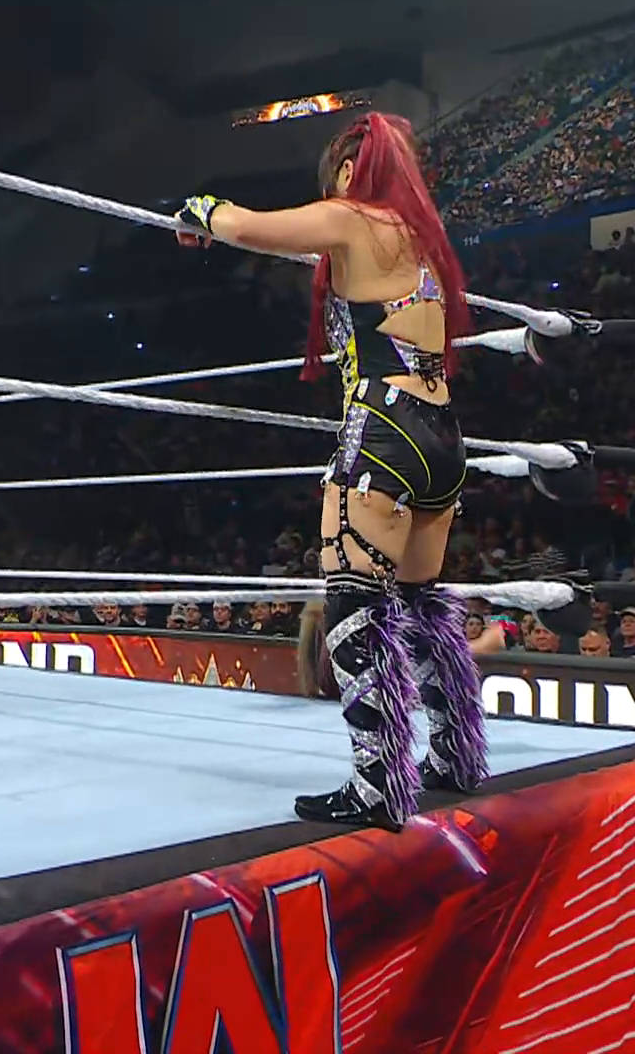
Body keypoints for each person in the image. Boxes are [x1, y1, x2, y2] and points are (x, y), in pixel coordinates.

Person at [179, 111, 486, 831]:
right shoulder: (424, 239)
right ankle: (455, 757)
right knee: (420, 603)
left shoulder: (353, 217)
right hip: (442, 434)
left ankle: (378, 785)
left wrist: (201, 207)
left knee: (353, 602)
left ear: (352, 171)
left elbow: (250, 227)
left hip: (382, 430)